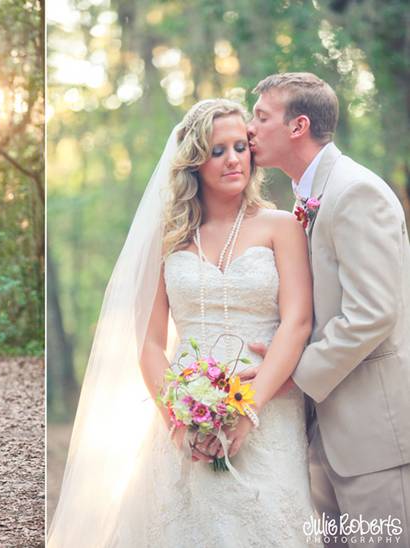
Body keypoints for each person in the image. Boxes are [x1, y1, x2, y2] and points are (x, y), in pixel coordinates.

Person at [48, 99, 315, 547]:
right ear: (194, 162)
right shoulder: (170, 239)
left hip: (268, 406)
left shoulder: (281, 226)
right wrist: (178, 423)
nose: (233, 159)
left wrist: (248, 412)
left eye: (239, 147)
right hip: (187, 414)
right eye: (217, 151)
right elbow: (151, 345)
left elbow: (298, 323)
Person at [246, 72, 410, 547]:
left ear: (297, 126)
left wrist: (294, 375)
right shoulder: (304, 199)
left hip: (374, 440)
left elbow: (373, 313)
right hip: (323, 436)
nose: (250, 129)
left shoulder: (356, 191)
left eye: (261, 116)